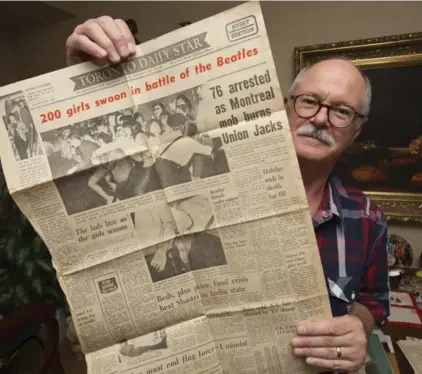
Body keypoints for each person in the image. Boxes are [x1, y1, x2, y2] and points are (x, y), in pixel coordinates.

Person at [65, 17, 390, 373]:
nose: (322, 118)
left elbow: (373, 302)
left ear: (356, 132)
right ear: (285, 108)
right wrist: (86, 74)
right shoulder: (202, 182)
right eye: (310, 101)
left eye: (342, 111)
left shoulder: (367, 217)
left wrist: (358, 326)